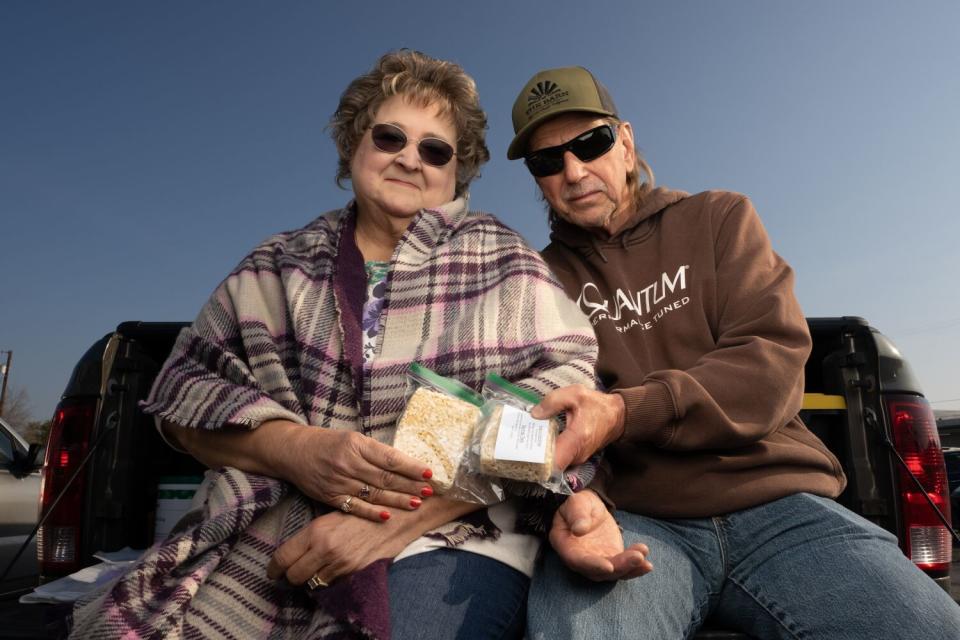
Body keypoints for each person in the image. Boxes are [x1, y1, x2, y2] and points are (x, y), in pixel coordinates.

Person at [67, 51, 600, 640]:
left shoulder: (504, 259)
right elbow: (181, 407)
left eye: (435, 149)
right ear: (353, 146)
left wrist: (393, 518)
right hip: (273, 524)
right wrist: (296, 450)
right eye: (390, 135)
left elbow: (563, 399)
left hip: (458, 532)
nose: (409, 157)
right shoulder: (275, 265)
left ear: (458, 172)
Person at [506, 66, 960, 639]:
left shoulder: (719, 218)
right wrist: (575, 506)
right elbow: (539, 410)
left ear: (624, 143)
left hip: (778, 506)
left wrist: (623, 413)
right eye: (547, 162)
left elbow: (767, 363)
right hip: (635, 520)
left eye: (589, 144)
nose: (573, 171)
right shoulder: (535, 279)